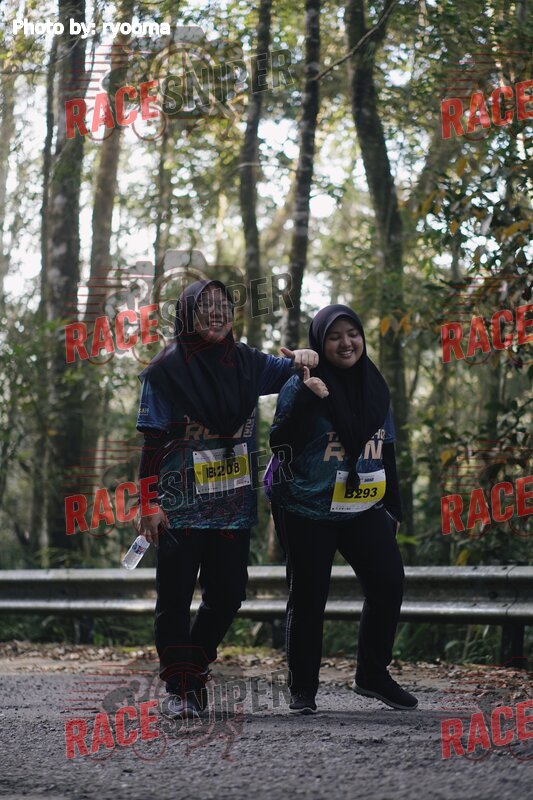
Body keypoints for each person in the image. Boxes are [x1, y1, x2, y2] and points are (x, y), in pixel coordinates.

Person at [134, 278, 318, 719]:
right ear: (187, 315)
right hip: (179, 509)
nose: (216, 314)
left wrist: (305, 356)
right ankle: (181, 688)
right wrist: (148, 503)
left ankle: (193, 667)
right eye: (205, 306)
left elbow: (293, 369)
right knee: (174, 601)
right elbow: (151, 443)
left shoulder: (250, 364)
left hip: (232, 509)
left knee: (230, 594)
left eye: (224, 306)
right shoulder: (164, 372)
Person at [269, 304, 417, 714]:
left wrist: (393, 509)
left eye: (353, 334)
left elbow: (386, 450)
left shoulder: (375, 386)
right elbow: (280, 443)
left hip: (362, 505)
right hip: (306, 507)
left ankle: (372, 675)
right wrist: (307, 396)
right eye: (335, 337)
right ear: (320, 343)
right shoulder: (301, 383)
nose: (346, 343)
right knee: (309, 596)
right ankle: (303, 688)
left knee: (388, 583)